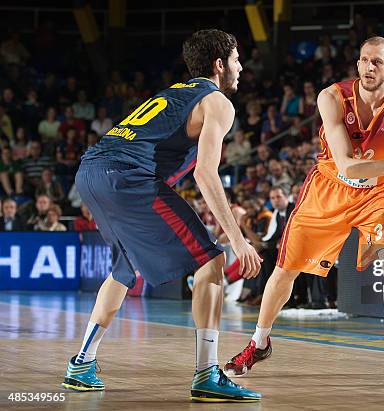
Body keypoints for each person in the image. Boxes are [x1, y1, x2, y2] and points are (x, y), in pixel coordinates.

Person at [224, 36, 384, 389]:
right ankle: (258, 343)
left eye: (377, 62)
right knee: (285, 270)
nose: (368, 67)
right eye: (364, 60)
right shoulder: (331, 97)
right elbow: (348, 167)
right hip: (328, 189)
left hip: (377, 196)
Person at [61, 29, 262, 402]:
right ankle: (207, 374)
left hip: (91, 170)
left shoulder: (173, 92)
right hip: (128, 177)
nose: (240, 66)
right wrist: (238, 239)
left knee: (123, 268)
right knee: (211, 262)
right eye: (236, 59)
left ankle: (81, 364)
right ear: (219, 65)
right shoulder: (217, 102)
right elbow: (205, 173)